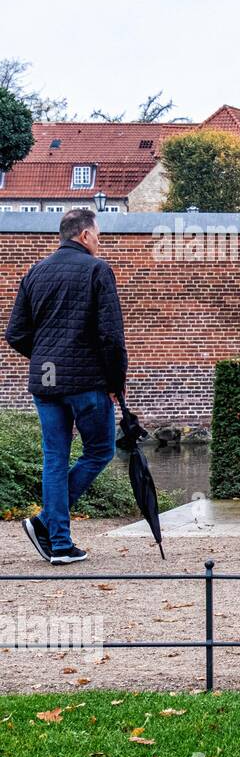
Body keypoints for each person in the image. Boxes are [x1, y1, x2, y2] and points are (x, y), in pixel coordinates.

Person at [5, 208, 127, 564]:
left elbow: (15, 334)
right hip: (87, 381)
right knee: (100, 450)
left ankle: (58, 541)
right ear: (85, 235)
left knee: (54, 458)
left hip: (45, 380)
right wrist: (115, 384)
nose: (99, 242)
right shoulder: (97, 270)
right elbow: (111, 336)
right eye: (98, 235)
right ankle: (47, 525)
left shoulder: (35, 272)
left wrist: (44, 358)